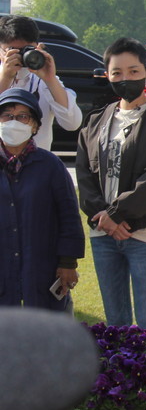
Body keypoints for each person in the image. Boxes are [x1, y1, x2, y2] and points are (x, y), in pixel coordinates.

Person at [75, 38, 146, 330]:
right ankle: (117, 377)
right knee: (116, 323)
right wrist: (103, 217)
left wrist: (118, 214)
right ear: (106, 75)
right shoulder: (95, 122)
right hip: (103, 234)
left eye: (133, 71)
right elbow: (85, 176)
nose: (125, 79)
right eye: (117, 73)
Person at [0, 87, 84, 310]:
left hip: (41, 264)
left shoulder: (50, 166)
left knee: (46, 333)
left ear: (35, 125)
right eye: (7, 115)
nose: (13, 121)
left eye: (22, 117)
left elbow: (68, 216)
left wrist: (68, 262)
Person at [0, 15, 82, 151]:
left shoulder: (43, 81)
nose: (20, 57)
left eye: (26, 50)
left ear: (37, 47)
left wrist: (50, 79)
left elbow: (72, 123)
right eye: (12, 51)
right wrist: (5, 79)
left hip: (36, 166)